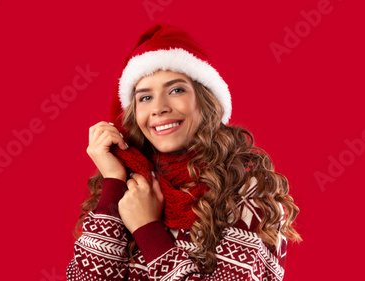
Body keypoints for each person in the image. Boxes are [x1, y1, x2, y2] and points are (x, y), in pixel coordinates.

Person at [66, 23, 301, 280]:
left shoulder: (247, 190)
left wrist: (147, 230)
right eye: (145, 97)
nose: (159, 108)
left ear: (206, 100)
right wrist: (112, 181)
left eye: (176, 90)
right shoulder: (132, 183)